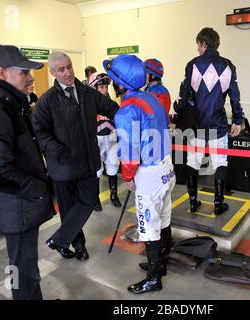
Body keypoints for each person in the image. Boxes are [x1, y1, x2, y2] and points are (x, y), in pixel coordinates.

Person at [0, 45, 55, 300]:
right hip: (16, 206)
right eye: (23, 72)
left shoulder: (10, 106)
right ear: (1, 72)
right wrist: (39, 190)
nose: (30, 77)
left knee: (27, 267)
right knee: (23, 270)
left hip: (21, 205)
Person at [32, 52, 120, 261]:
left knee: (88, 201)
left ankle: (60, 239)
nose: (68, 72)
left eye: (69, 66)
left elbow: (110, 107)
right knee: (69, 209)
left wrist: (130, 113)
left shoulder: (87, 93)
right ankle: (77, 246)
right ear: (53, 72)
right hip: (63, 166)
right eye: (61, 69)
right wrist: (58, 151)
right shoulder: (47, 101)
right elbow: (40, 132)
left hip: (88, 162)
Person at [104, 54, 175, 294]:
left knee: (148, 225)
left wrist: (127, 177)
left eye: (113, 80)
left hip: (149, 174)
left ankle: (154, 278)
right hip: (167, 167)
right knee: (163, 219)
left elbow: (130, 153)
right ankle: (161, 265)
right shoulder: (153, 98)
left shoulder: (126, 111)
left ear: (119, 84)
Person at [177, 27, 243, 216]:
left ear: (204, 43)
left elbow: (184, 95)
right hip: (218, 123)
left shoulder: (192, 64)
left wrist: (177, 117)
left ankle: (192, 202)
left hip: (197, 124)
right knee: (220, 161)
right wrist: (237, 120)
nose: (197, 48)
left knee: (193, 161)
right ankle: (217, 203)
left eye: (198, 44)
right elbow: (235, 97)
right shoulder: (228, 65)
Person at [88, 72, 122, 208]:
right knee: (97, 169)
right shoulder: (89, 106)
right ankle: (95, 198)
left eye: (106, 87)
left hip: (112, 138)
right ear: (94, 88)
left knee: (113, 165)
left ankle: (114, 194)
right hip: (96, 140)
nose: (104, 90)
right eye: (101, 87)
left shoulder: (112, 104)